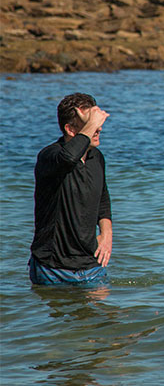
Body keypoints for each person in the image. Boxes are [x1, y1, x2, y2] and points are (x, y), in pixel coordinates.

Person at [29, 93, 113, 285]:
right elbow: (68, 158)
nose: (98, 128)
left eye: (97, 122)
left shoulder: (96, 157)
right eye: (91, 123)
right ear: (70, 129)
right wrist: (91, 124)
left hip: (92, 266)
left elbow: (102, 199)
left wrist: (107, 234)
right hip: (52, 268)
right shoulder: (50, 156)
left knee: (105, 315)